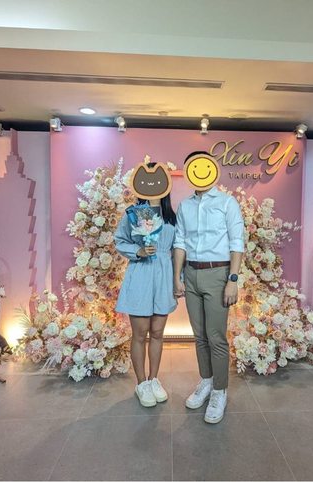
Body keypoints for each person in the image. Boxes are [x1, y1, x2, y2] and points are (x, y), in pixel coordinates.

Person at [173, 151, 245, 424]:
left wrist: (232, 280)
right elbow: (180, 241)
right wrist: (177, 277)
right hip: (191, 273)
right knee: (200, 336)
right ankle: (206, 381)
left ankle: (219, 390)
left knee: (216, 337)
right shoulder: (185, 206)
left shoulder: (227, 203)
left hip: (218, 273)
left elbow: (236, 242)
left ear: (212, 169)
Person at [114, 184, 177, 408]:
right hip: (141, 273)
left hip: (163, 276)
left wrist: (178, 279)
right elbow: (120, 240)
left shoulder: (171, 216)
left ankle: (153, 379)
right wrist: (138, 251)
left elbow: (178, 249)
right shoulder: (134, 213)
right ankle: (141, 383)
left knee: (158, 332)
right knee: (140, 333)